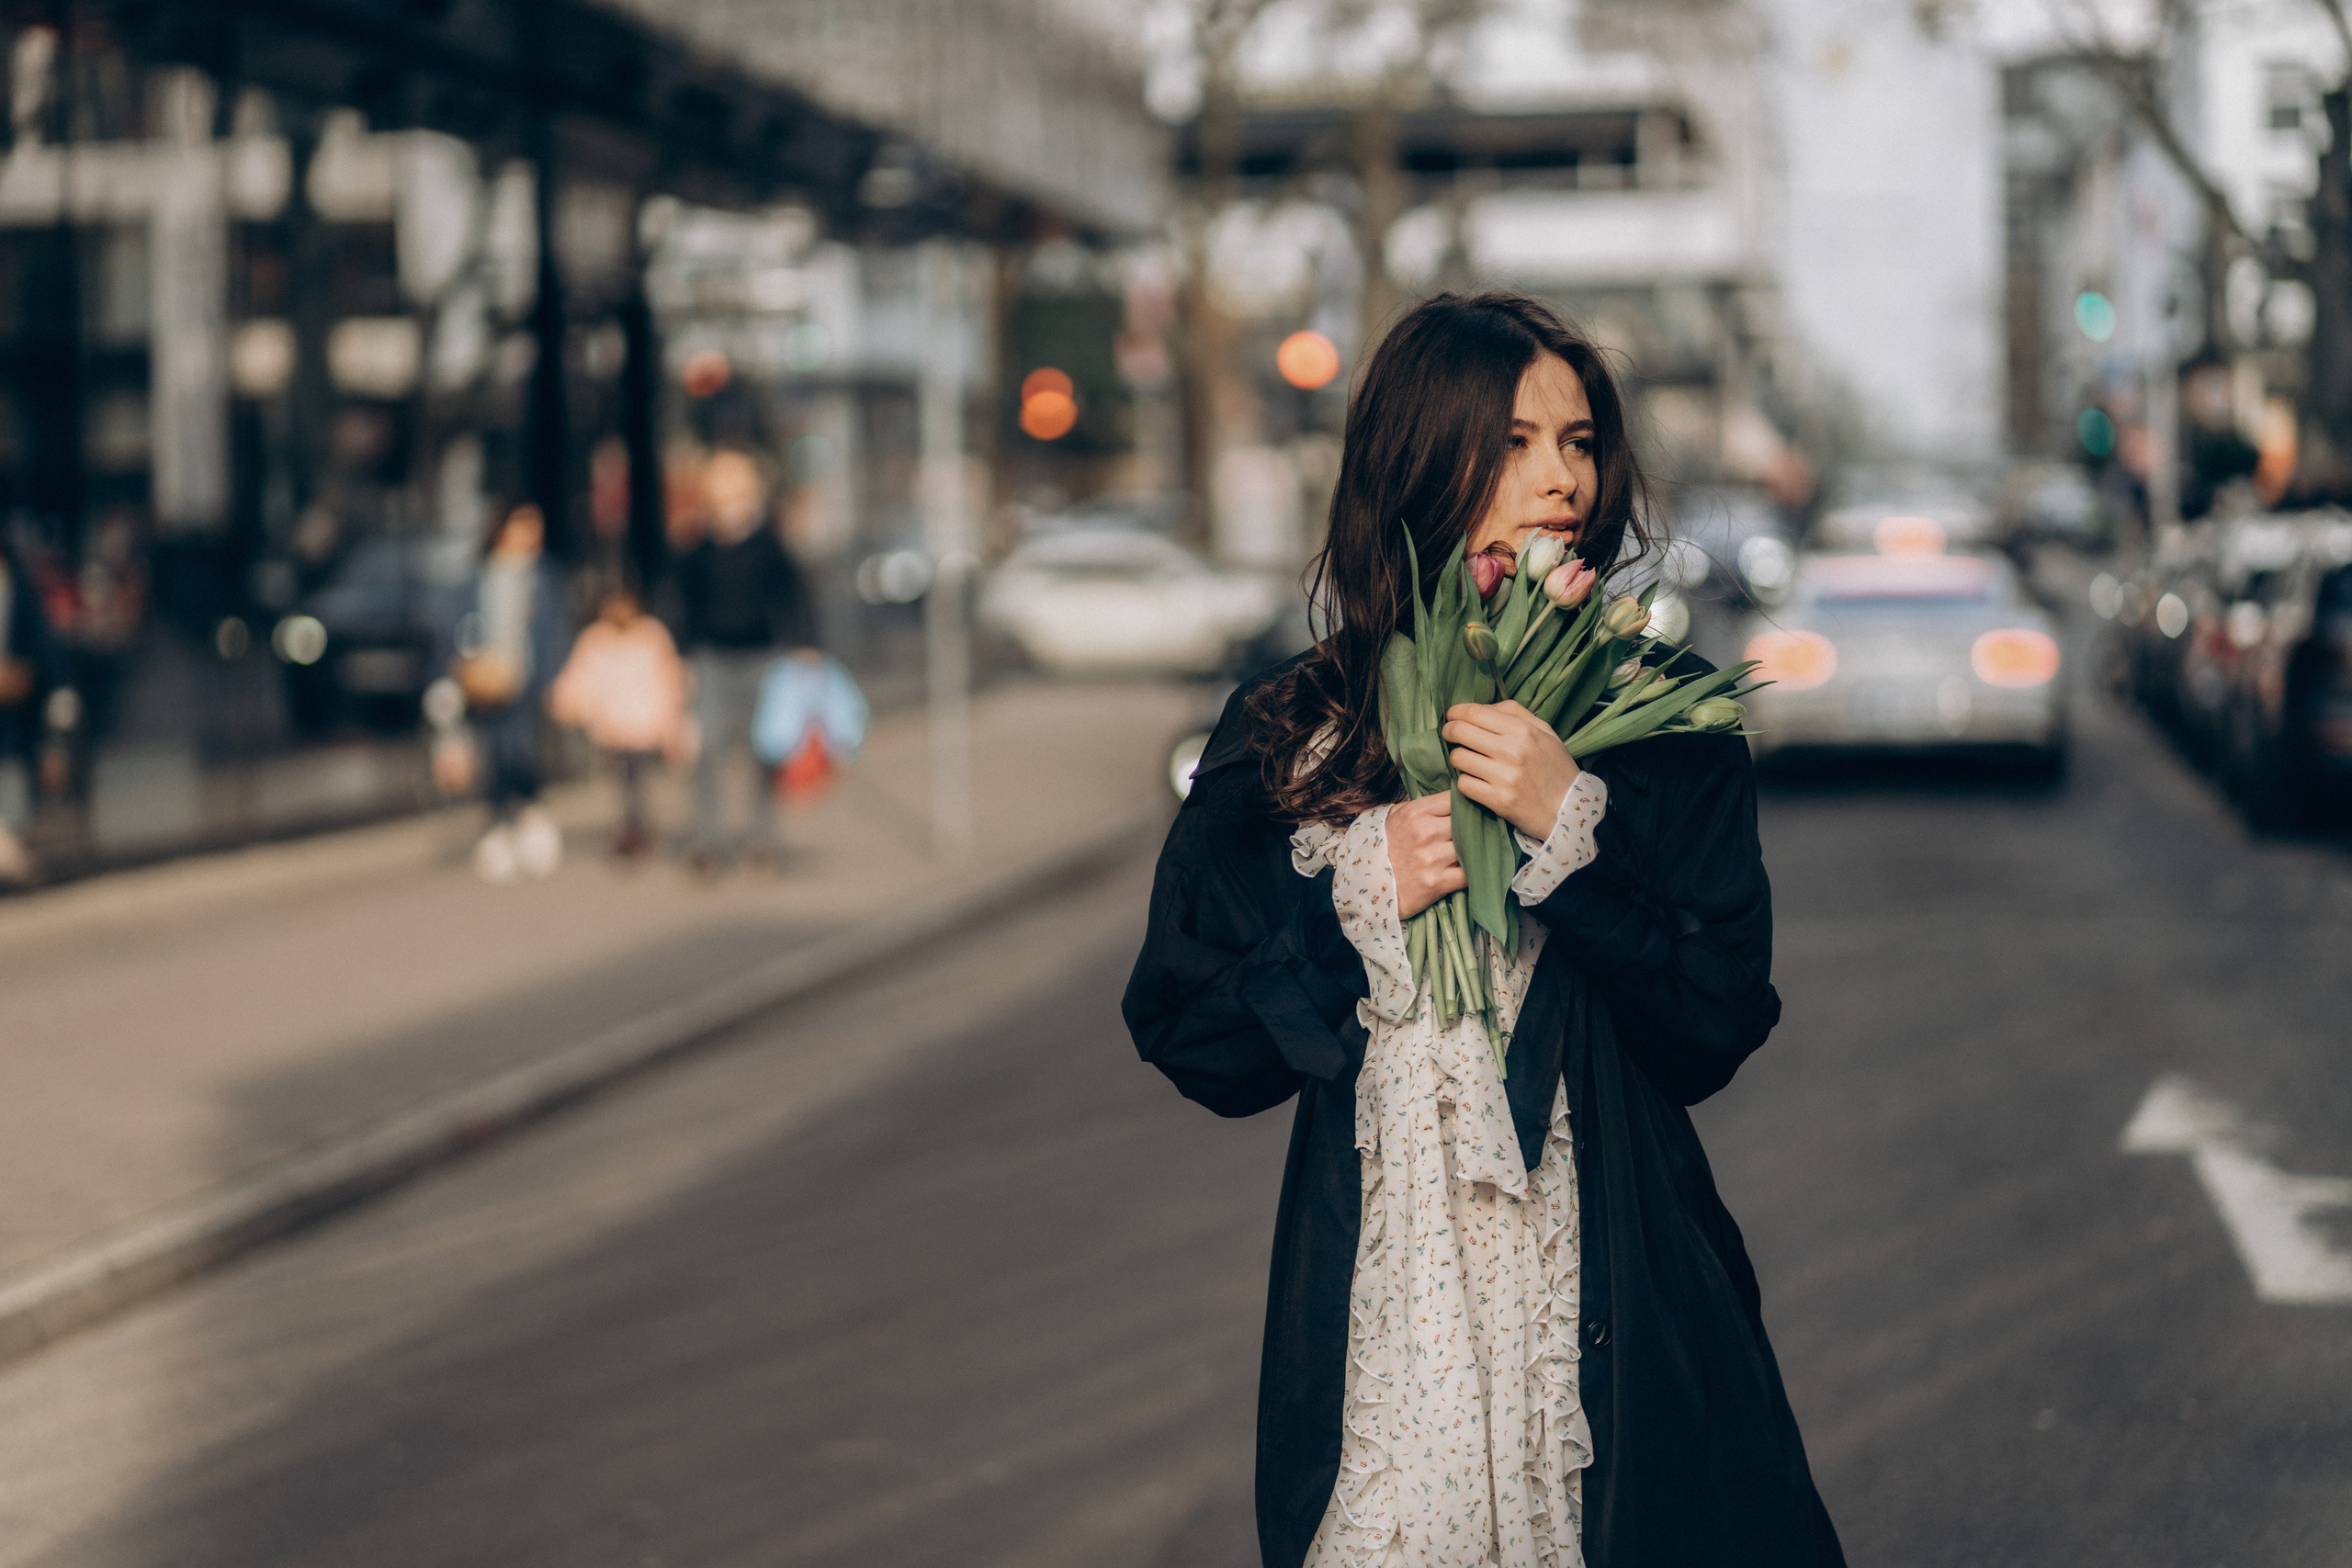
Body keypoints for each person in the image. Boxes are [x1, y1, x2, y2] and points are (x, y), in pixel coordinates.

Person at [1123, 293, 1843, 1568]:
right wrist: (1348, 907)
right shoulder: (1299, 726)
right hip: (1390, 1344)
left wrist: (1575, 833)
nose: (1560, 479)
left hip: (1615, 1322)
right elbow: (1192, 1030)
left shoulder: (1659, 716)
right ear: (1417, 459)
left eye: (1576, 441)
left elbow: (1716, 1020)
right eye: (1513, 443)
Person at [669, 448, 817, 870]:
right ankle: (709, 838)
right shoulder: (696, 548)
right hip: (712, 656)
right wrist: (682, 653)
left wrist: (805, 644)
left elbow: (795, 595)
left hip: (763, 655)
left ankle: (763, 836)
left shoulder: (770, 544)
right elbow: (681, 601)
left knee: (763, 749)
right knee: (709, 749)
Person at [452, 502, 571, 882]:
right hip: (488, 680)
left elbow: (556, 630)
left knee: (524, 749)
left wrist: (554, 676)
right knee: (493, 751)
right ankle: (499, 823)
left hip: (528, 677)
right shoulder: (480, 576)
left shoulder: (542, 577)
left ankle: (531, 812)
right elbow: (460, 625)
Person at [548, 575, 690, 859]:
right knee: (624, 779)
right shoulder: (595, 638)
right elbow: (580, 677)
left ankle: (634, 826)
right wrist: (565, 701)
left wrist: (672, 721)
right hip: (612, 724)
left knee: (635, 777)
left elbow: (669, 677)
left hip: (645, 722)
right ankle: (632, 824)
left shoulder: (651, 635)